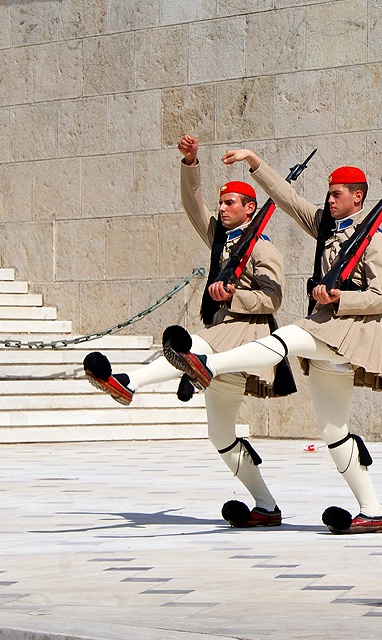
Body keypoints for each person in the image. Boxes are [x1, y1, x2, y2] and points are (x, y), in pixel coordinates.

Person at [160, 148, 382, 535]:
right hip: (327, 329)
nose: (329, 199)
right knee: (332, 431)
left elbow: (380, 296)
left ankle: (207, 365)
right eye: (328, 193)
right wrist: (255, 162)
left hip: (355, 331)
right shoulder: (325, 226)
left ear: (358, 196)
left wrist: (342, 298)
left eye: (337, 194)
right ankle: (372, 512)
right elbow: (287, 199)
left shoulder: (376, 241)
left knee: (289, 334)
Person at [84, 134, 292, 529]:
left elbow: (272, 299)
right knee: (220, 435)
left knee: (192, 346)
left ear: (251, 209)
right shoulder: (221, 241)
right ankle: (266, 506)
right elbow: (192, 206)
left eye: (230, 202)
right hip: (220, 338)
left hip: (244, 336)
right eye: (221, 201)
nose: (222, 207)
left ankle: (128, 382)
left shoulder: (264, 248)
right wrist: (191, 164)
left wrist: (233, 296)